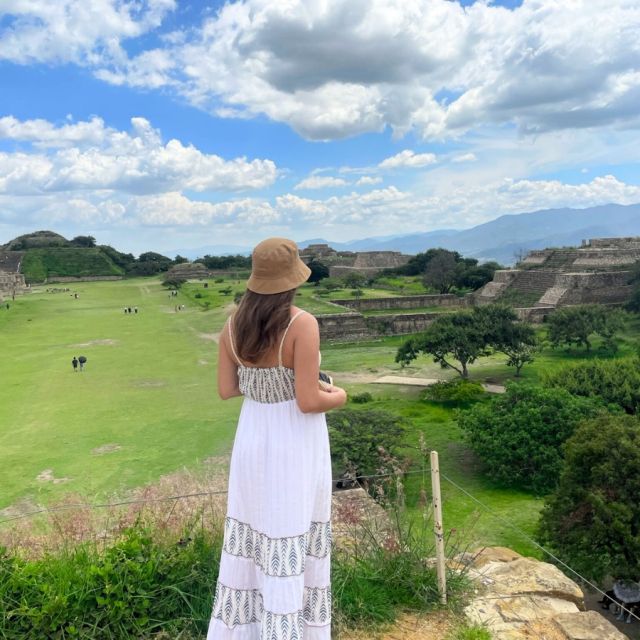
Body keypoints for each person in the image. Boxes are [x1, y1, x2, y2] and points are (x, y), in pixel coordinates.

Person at [207, 237, 347, 639]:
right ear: (293, 279)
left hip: (253, 434)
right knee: (293, 528)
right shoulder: (301, 323)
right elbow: (307, 400)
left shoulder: (232, 326)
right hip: (294, 441)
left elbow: (226, 389)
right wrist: (338, 394)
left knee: (254, 532)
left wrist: (265, 386)